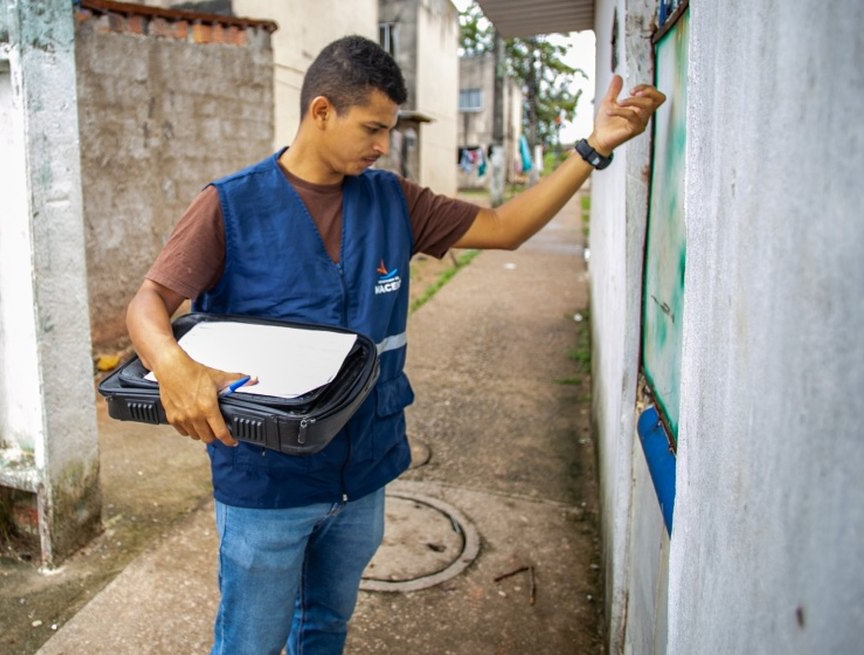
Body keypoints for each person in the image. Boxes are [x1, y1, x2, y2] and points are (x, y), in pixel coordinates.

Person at [126, 34, 664, 655]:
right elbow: (149, 304)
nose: (385, 146)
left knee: (326, 627)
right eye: (373, 128)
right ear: (321, 111)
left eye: (390, 130)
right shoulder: (230, 205)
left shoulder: (394, 201)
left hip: (365, 475)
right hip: (265, 484)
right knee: (252, 642)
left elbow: (507, 227)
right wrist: (173, 366)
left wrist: (592, 149)